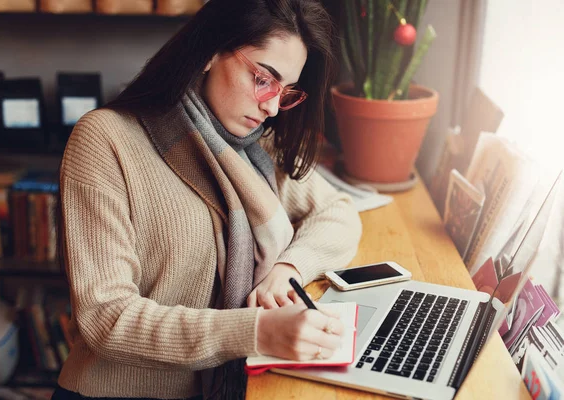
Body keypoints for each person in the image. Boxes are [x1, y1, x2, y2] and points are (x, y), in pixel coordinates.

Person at [53, 0, 362, 399]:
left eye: (286, 92)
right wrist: (255, 330)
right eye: (264, 78)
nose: (271, 107)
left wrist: (289, 268)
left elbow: (338, 213)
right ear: (212, 52)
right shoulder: (105, 140)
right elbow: (106, 318)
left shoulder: (255, 147)